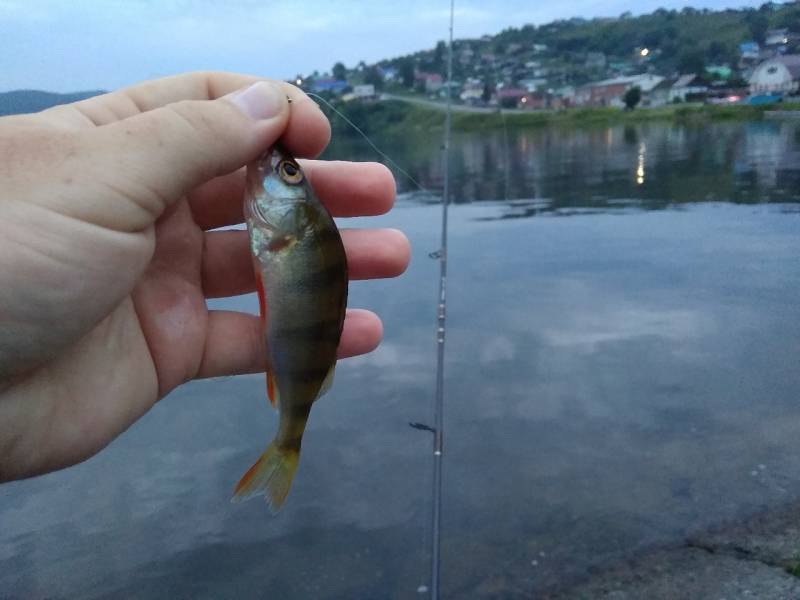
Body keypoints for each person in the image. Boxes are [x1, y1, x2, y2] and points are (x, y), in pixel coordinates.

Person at [0, 72, 410, 483]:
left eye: (287, 173)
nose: (276, 169)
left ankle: (287, 442)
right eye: (291, 171)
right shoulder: (285, 233)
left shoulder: (289, 233)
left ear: (297, 223)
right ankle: (288, 439)